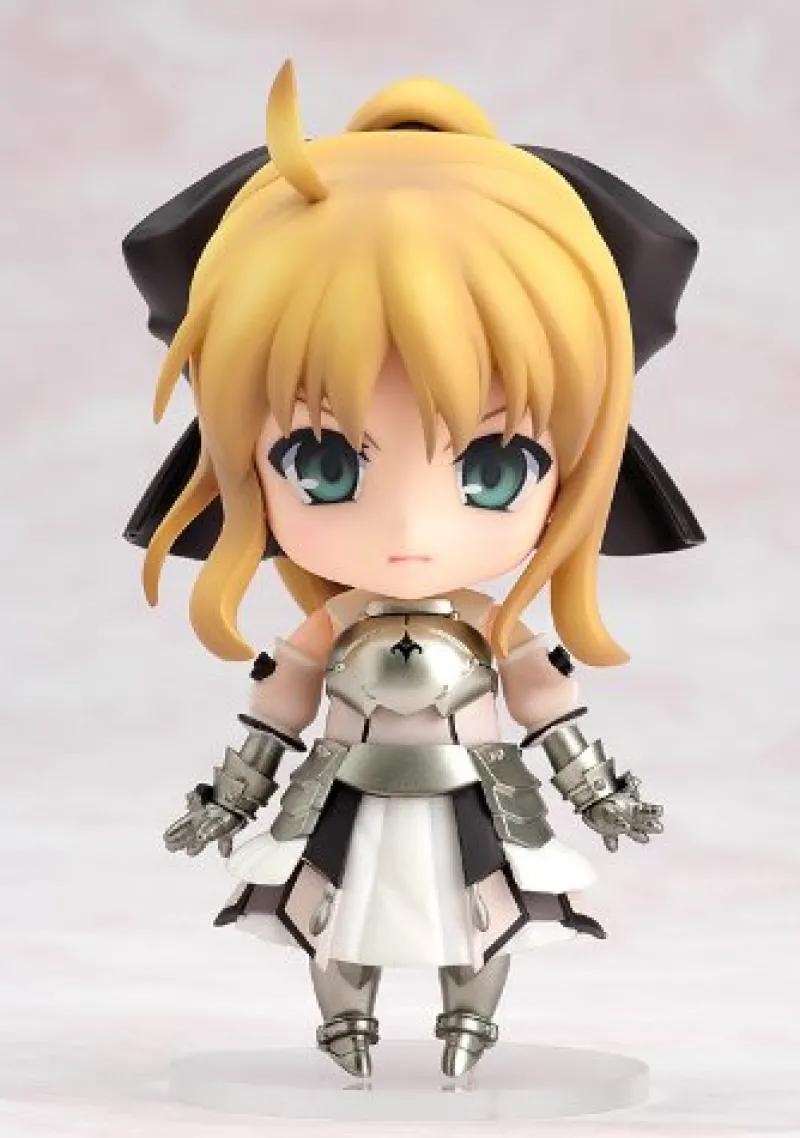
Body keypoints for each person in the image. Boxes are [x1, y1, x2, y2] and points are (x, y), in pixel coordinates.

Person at [123, 60, 703, 1079]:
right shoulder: (327, 630)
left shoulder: (493, 629)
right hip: (341, 793)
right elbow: (276, 708)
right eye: (322, 463)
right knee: (329, 918)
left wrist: (598, 790)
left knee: (485, 917)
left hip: (476, 793)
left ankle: (466, 1025)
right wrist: (229, 797)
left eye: (492, 468)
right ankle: (345, 1024)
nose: (407, 529)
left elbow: (547, 703)